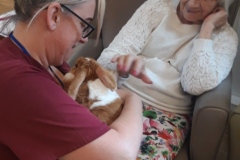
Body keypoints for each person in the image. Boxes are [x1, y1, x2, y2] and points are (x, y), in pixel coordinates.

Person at [0, 0, 143, 160]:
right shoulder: (23, 83)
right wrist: (134, 98)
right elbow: (121, 154)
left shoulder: (52, 65)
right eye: (83, 25)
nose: (83, 39)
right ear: (54, 16)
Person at [97, 0, 238, 159]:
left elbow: (195, 85)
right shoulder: (156, 7)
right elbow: (106, 60)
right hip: (119, 96)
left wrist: (206, 31)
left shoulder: (226, 38)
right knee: (83, 145)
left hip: (166, 115)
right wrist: (121, 66)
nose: (191, 3)